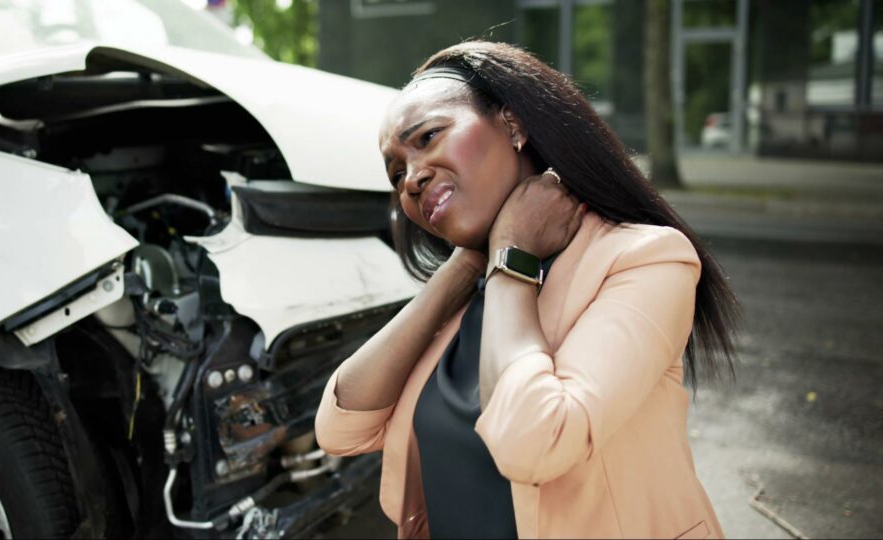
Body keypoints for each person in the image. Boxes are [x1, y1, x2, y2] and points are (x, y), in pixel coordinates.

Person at [315, 41, 739, 539]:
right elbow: (341, 428)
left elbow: (534, 442)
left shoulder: (645, 260)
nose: (411, 178)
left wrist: (511, 253)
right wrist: (464, 265)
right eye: (396, 173)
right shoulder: (470, 289)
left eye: (428, 136)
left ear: (513, 125)